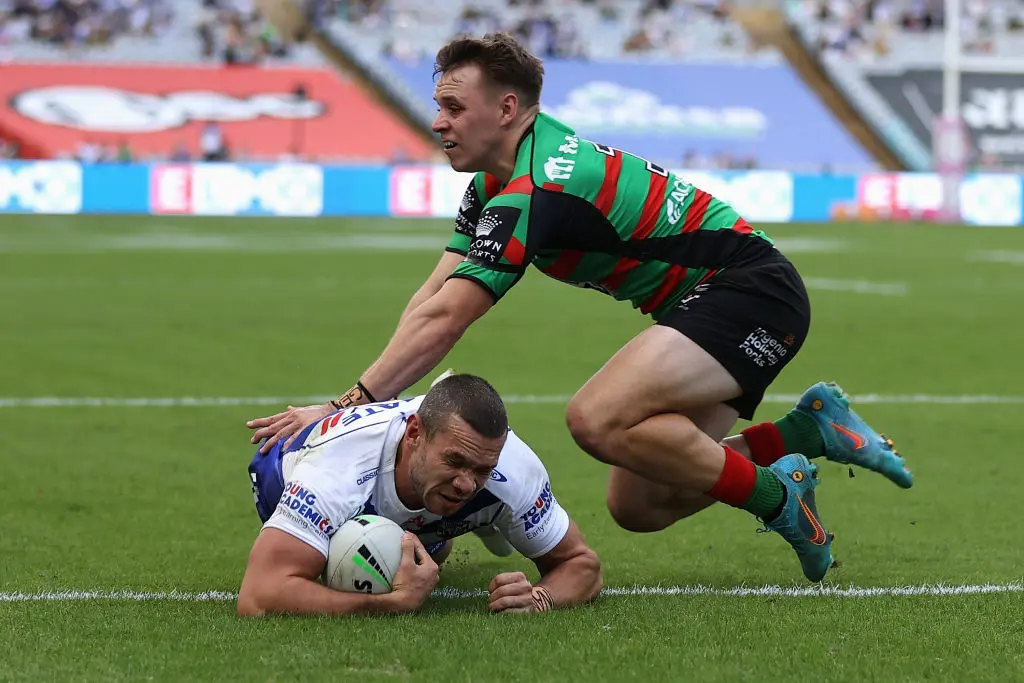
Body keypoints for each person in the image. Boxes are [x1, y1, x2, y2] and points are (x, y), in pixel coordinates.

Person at [246, 32, 912, 583]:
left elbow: (452, 319)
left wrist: (342, 408)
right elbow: (433, 300)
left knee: (595, 417)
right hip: (707, 305)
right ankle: (804, 433)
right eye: (437, 104)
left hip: (750, 290)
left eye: (453, 105)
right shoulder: (495, 183)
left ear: (507, 109)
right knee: (640, 501)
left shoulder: (537, 188)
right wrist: (352, 408)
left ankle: (778, 498)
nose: (438, 120)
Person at [237, 373, 602, 617]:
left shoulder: (513, 468)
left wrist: (541, 599)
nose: (466, 483)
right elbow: (259, 595)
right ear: (414, 433)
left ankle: (475, 520)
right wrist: (393, 603)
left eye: (481, 469)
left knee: (433, 531)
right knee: (365, 561)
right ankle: (452, 528)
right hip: (287, 469)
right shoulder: (334, 473)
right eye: (455, 460)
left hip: (415, 485)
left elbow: (583, 566)